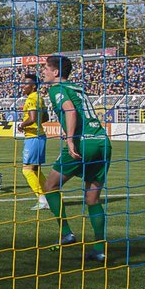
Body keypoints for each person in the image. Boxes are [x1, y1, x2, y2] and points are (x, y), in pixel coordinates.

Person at [40, 55, 111, 263]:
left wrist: (70, 139)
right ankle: (99, 249)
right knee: (92, 199)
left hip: (83, 143)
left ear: (55, 72)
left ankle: (66, 233)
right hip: (102, 142)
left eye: (45, 68)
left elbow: (70, 111)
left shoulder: (56, 89)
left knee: (50, 186)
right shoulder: (77, 87)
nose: (43, 71)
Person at [18, 73, 50, 211]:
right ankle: (49, 196)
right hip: (39, 136)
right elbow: (46, 117)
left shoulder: (32, 98)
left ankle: (42, 199)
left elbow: (32, 118)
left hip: (33, 137)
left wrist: (22, 125)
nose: (22, 86)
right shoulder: (40, 98)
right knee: (35, 170)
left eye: (25, 84)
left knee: (27, 170)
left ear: (33, 86)